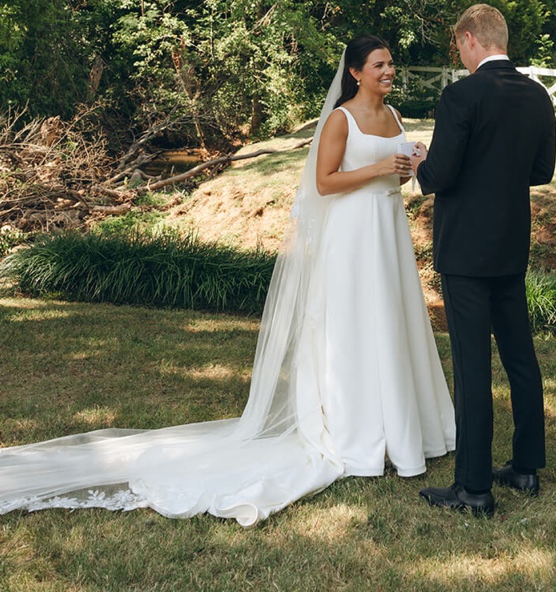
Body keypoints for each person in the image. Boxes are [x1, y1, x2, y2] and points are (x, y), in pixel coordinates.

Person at [0, 35, 455, 525]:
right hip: (351, 240)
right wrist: (378, 167)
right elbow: (325, 183)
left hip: (386, 234)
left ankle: (399, 429)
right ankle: (356, 433)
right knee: (354, 329)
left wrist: (411, 165)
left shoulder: (393, 117)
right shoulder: (340, 119)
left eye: (391, 64)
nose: (389, 71)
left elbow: (396, 177)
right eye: (380, 64)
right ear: (356, 73)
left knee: (390, 324)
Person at [412, 4, 556, 516]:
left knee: (472, 366)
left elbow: (439, 175)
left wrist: (419, 164)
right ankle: (524, 467)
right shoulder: (538, 95)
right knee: (520, 356)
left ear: (471, 39)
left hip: (466, 250)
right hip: (510, 243)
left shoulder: (461, 95)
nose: (459, 53)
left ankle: (473, 489)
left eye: (458, 45)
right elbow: (542, 170)